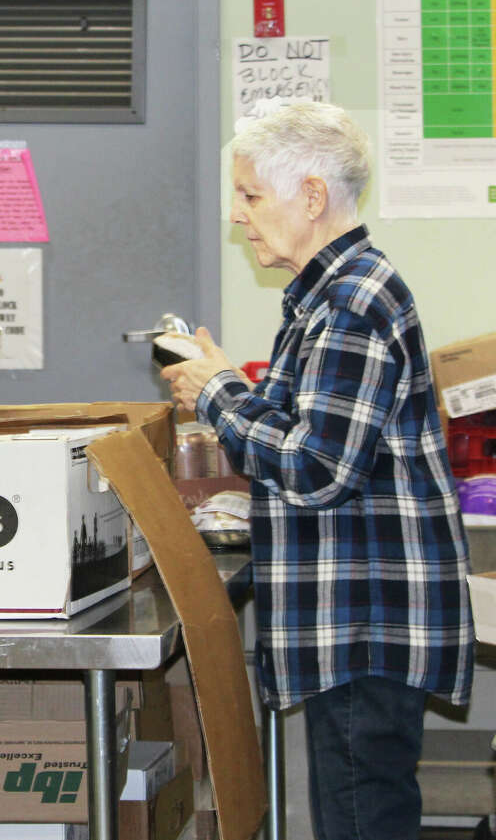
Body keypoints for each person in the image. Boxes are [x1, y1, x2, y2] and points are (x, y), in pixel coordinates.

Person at [159, 101, 473, 840]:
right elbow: (303, 427)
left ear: (310, 195)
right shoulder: (324, 298)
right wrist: (229, 380)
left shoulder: (352, 302)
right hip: (354, 617)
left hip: (365, 622)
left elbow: (316, 468)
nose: (239, 216)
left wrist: (215, 392)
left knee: (363, 819)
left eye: (251, 195)